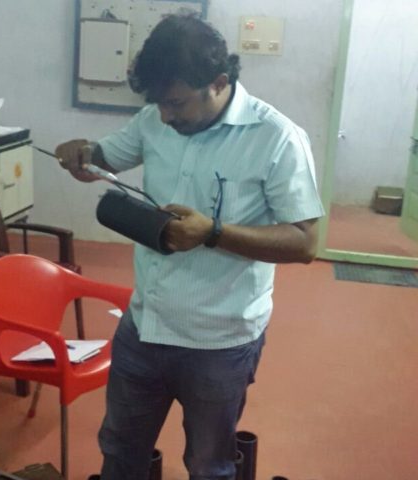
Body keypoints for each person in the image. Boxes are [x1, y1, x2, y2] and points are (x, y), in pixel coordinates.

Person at [56, 13, 324, 480]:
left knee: (208, 465)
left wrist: (213, 233)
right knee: (120, 452)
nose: (165, 115)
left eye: (176, 103)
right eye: (158, 103)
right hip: (144, 326)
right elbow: (104, 157)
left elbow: (305, 242)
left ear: (218, 82)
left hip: (219, 340)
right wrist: (84, 155)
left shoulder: (277, 138)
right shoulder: (155, 119)